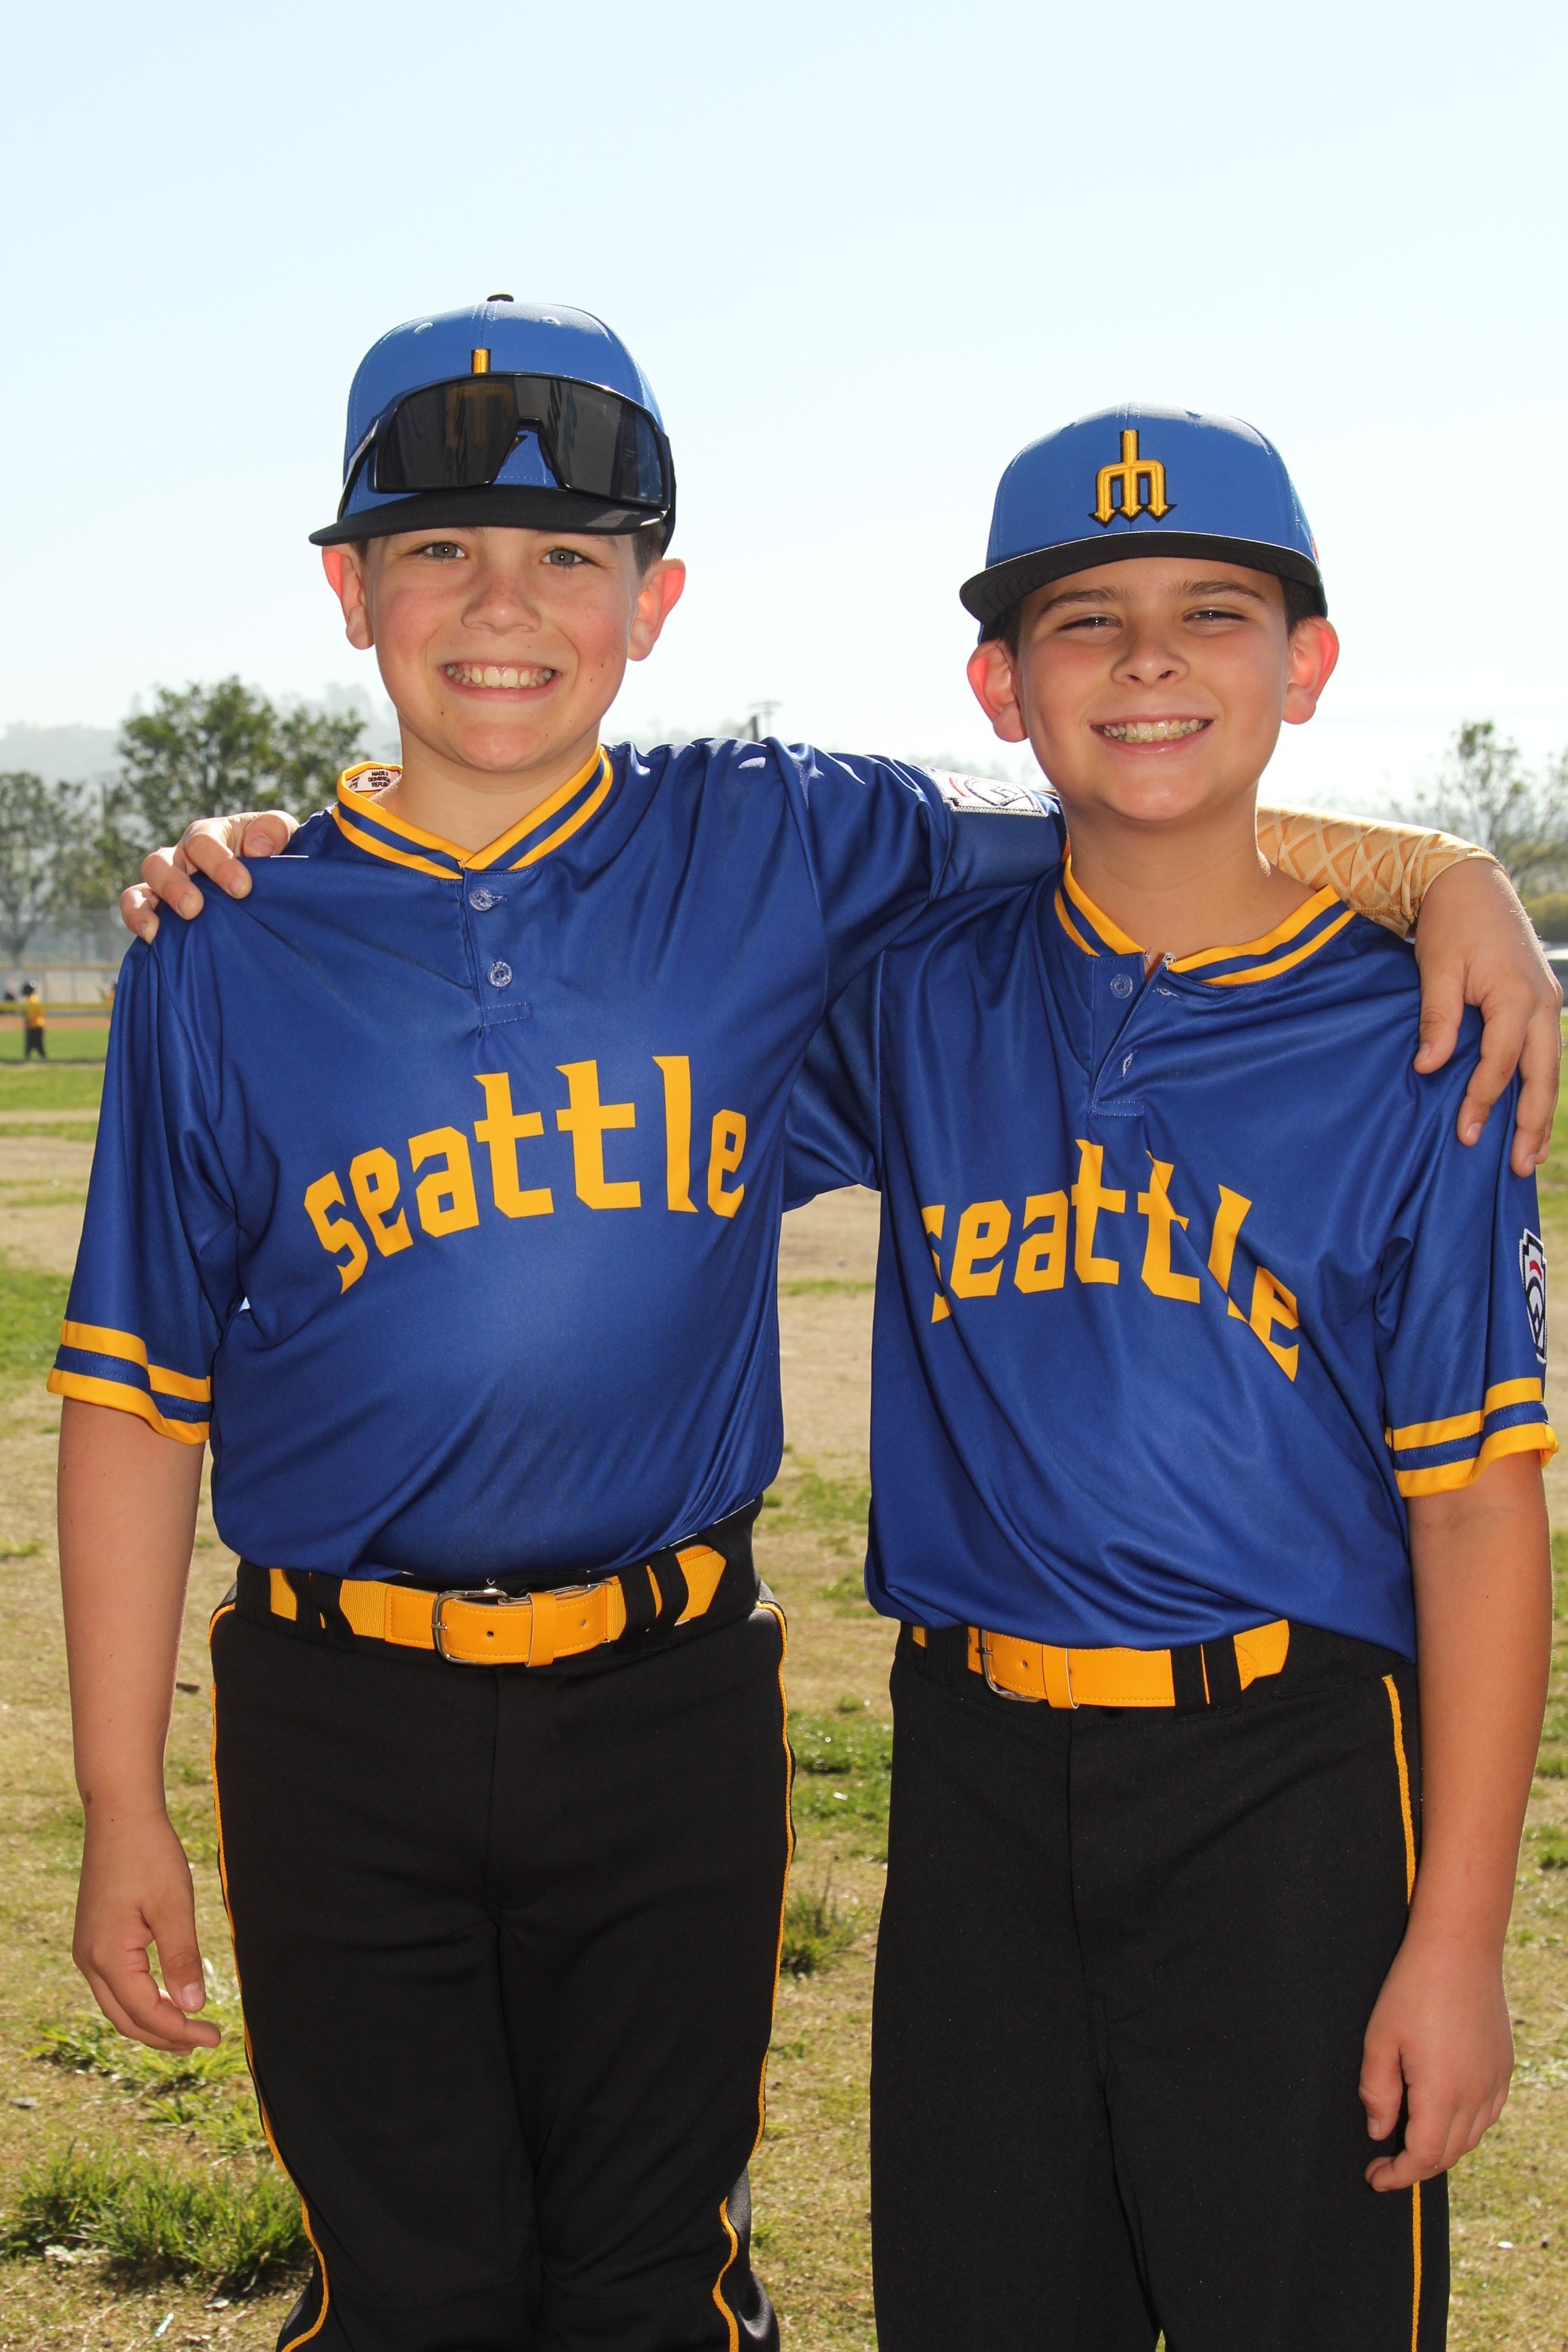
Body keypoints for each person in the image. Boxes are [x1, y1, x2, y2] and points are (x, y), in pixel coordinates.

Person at [86, 306, 1553, 2352]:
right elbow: (153, 1376)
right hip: (873, 1758)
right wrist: (266, 861)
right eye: (436, 550)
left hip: (1190, 1759)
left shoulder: (817, 858)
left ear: (655, 598)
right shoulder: (883, 993)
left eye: (1215, 616)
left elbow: (1138, 823)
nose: (503, 603)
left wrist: (1448, 870)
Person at [783, 404, 1558, 2351]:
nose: (1147, 660)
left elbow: (1477, 1509)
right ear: (1000, 683)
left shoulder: (1422, 1036)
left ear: (1305, 664)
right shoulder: (919, 989)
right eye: (1084, 620)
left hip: (1290, 1779)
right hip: (973, 1769)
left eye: (1214, 612)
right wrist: (324, 854)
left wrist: (1460, 1935)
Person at [21, 980, 46, 1058]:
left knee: (36, 1045)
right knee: (33, 1045)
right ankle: (41, 1058)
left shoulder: (32, 1000)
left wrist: (28, 1023)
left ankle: (41, 1058)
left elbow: (31, 1015)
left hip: (35, 1026)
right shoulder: (33, 999)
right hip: (37, 1025)